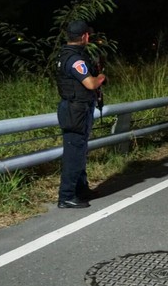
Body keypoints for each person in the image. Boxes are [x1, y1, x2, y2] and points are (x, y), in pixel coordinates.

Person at [56, 20, 106, 208]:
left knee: (79, 150)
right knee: (74, 153)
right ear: (84, 36)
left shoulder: (66, 54)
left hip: (75, 109)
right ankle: (66, 196)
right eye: (88, 35)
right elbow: (90, 84)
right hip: (76, 111)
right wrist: (101, 77)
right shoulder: (76, 60)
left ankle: (81, 189)